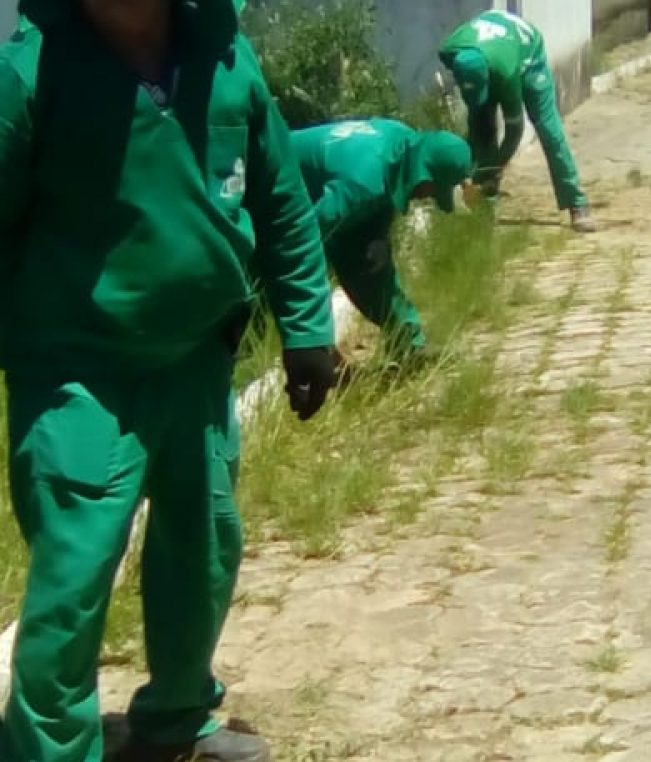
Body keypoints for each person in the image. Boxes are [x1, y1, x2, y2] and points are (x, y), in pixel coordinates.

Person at [0, 1, 336, 761]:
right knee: (73, 574)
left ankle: (179, 714)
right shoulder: (32, 73)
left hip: (196, 363)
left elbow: (280, 195)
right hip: (77, 374)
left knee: (204, 546)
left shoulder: (223, 56)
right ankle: (51, 751)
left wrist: (307, 326)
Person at [291, 119, 473, 365]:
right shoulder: (362, 182)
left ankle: (408, 346)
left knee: (374, 258)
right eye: (432, 190)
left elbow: (384, 194)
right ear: (424, 174)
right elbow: (300, 241)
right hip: (263, 181)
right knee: (284, 271)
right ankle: (310, 355)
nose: (426, 197)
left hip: (337, 195)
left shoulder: (403, 141)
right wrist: (318, 340)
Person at [439, 9, 596, 233]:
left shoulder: (506, 71)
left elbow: (515, 129)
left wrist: (498, 165)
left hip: (527, 53)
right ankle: (484, 206)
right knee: (480, 129)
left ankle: (576, 202)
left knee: (548, 129)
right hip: (492, 51)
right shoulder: (449, 51)